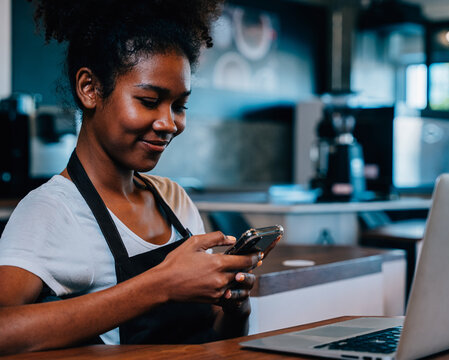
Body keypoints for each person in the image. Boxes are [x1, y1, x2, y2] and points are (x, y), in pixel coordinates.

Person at [0, 0, 263, 354]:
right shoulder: (51, 210)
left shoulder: (173, 198)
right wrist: (160, 285)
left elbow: (216, 340)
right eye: (149, 100)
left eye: (179, 105)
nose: (170, 123)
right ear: (89, 88)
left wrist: (235, 306)